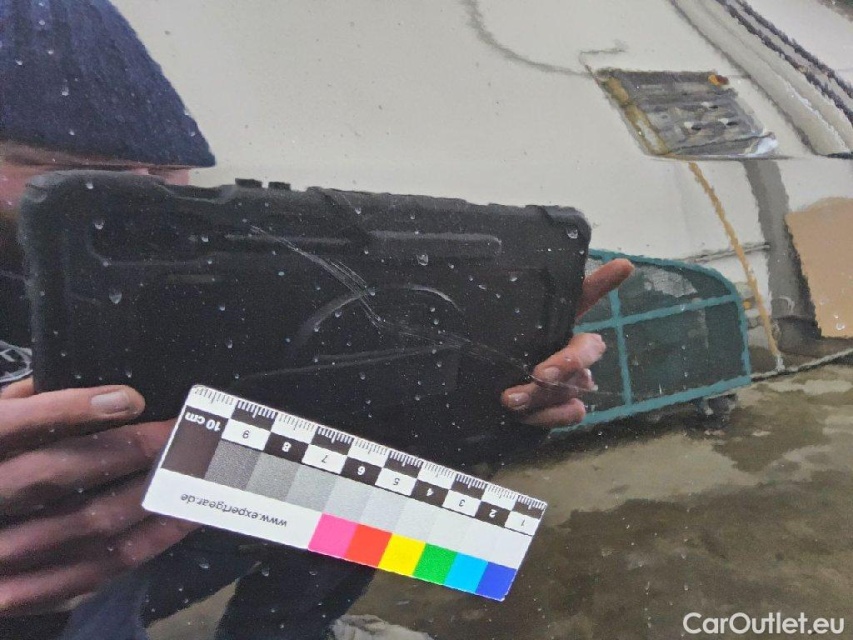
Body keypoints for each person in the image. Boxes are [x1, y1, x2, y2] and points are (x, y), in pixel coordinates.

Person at [0, 1, 633, 638]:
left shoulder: (198, 272)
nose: (141, 195)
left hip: (179, 499)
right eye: (71, 172)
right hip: (66, 582)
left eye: (166, 170)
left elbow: (274, 457)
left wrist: (486, 396)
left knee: (427, 520)